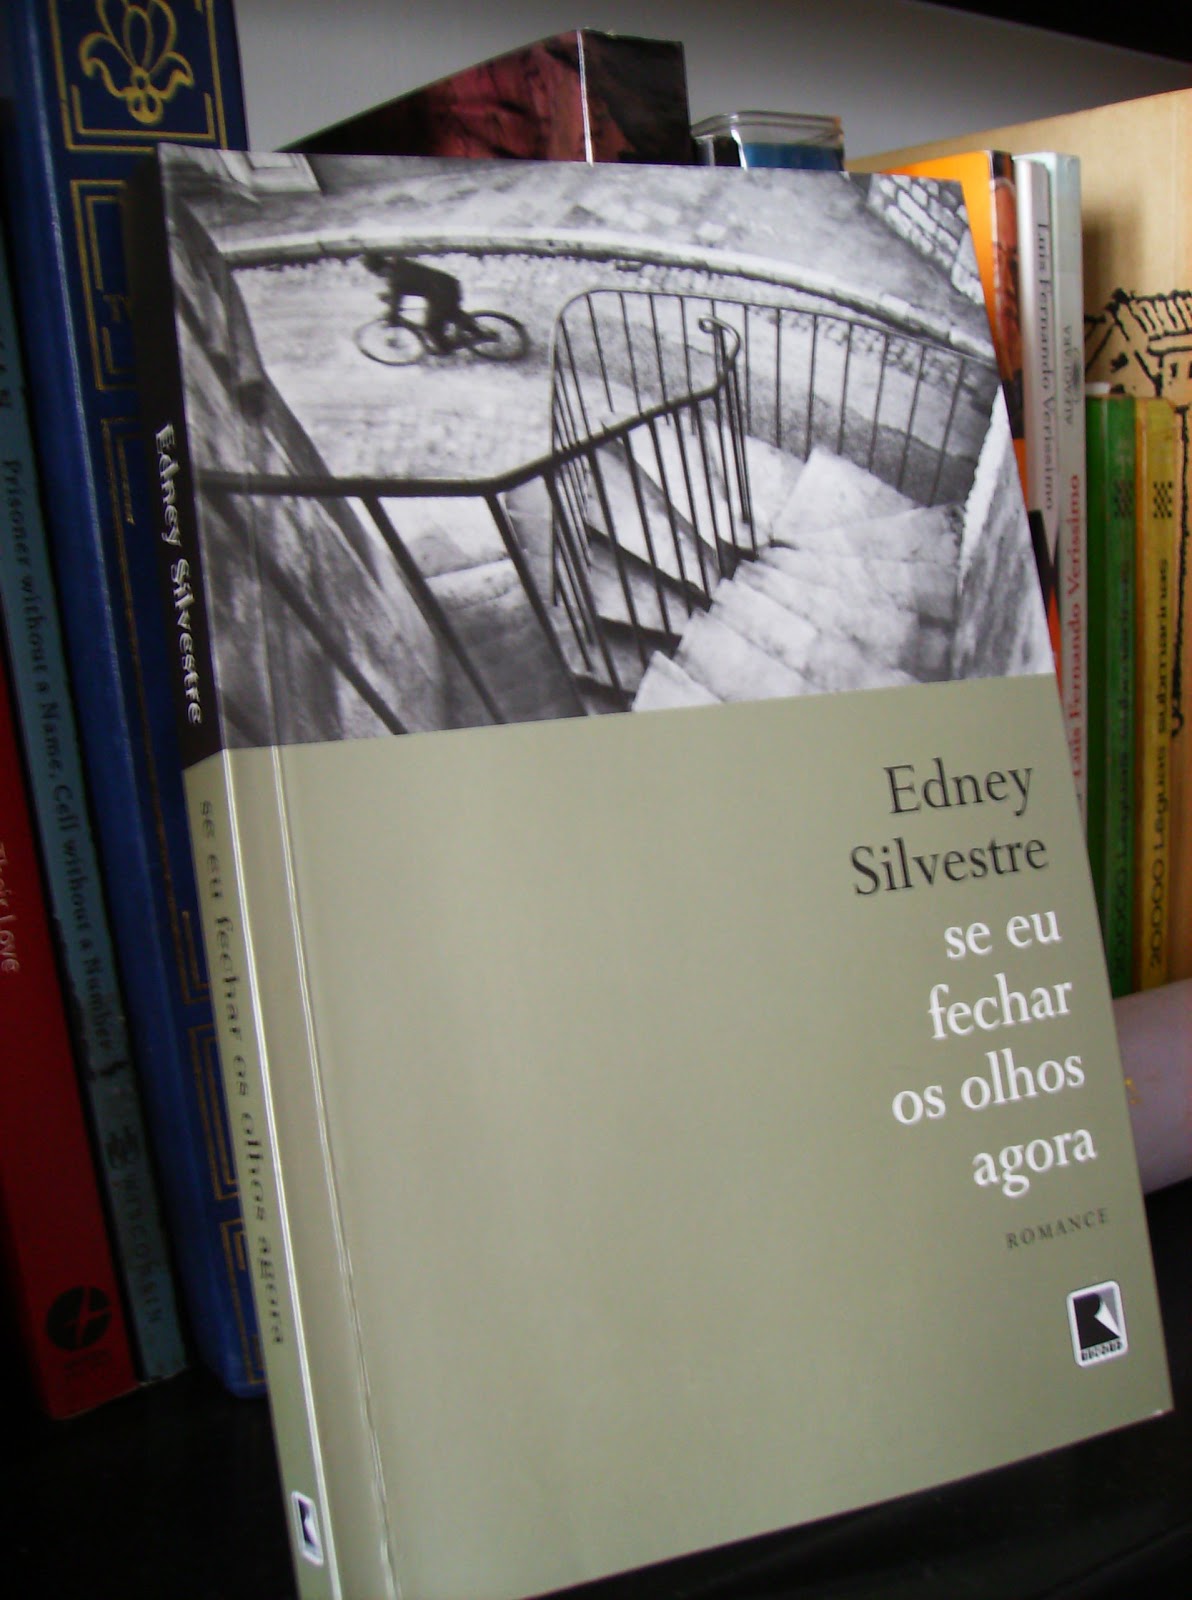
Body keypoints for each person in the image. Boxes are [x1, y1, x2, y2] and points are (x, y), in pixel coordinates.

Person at [361, 250, 472, 353]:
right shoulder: (399, 264)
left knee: (431, 326)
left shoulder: (396, 279)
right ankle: (476, 332)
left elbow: (397, 296)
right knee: (450, 314)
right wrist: (391, 297)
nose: (380, 276)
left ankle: (446, 350)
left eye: (378, 273)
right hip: (448, 285)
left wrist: (392, 316)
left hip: (441, 293)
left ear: (381, 269)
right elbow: (406, 285)